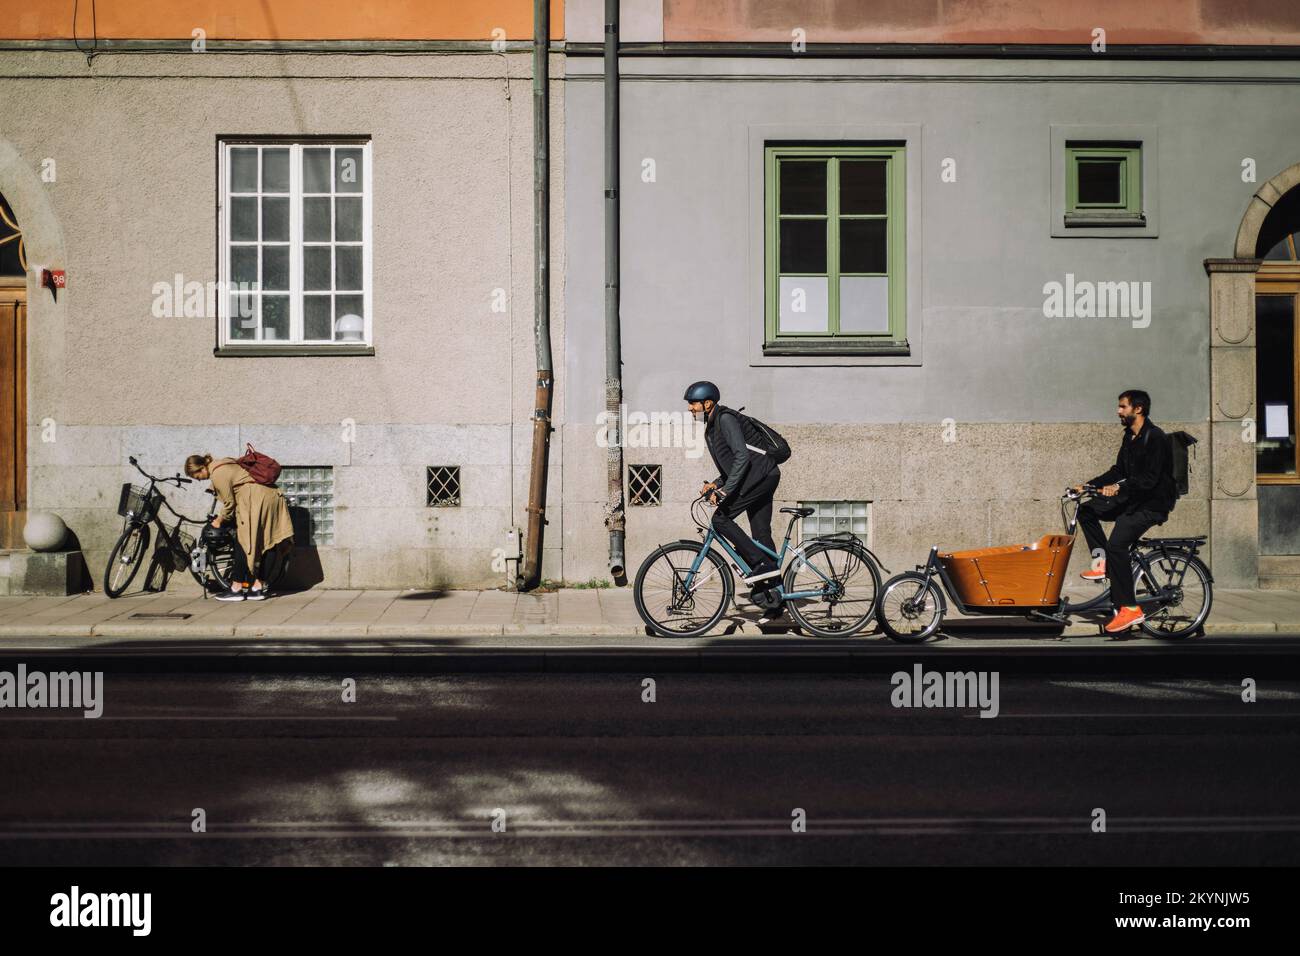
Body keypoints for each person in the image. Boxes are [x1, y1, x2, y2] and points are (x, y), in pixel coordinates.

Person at [1072, 389, 1177, 634]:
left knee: (1117, 544)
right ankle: (1102, 562)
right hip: (1132, 499)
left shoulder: (1156, 437)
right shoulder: (1129, 436)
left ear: (1137, 409)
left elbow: (1149, 480)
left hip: (1151, 505)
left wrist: (1116, 488)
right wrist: (1089, 485)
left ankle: (1130, 608)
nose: (1118, 411)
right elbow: (1119, 470)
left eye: (1122, 407)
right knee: (1087, 510)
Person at [684, 381, 785, 616]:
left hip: (761, 476)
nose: (690, 409)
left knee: (720, 520)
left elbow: (742, 457)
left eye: (693, 404)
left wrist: (724, 491)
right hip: (762, 475)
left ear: (707, 403)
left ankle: (760, 565)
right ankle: (775, 598)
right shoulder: (713, 425)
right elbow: (734, 463)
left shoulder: (725, 419)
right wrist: (716, 483)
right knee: (761, 535)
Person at [184, 452, 294, 601]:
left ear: (201, 468)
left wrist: (220, 520)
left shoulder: (217, 473)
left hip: (255, 500)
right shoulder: (225, 462)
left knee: (242, 541)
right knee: (270, 541)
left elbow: (229, 503)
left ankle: (236, 589)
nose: (198, 480)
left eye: (196, 477)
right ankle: (258, 588)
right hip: (271, 496)